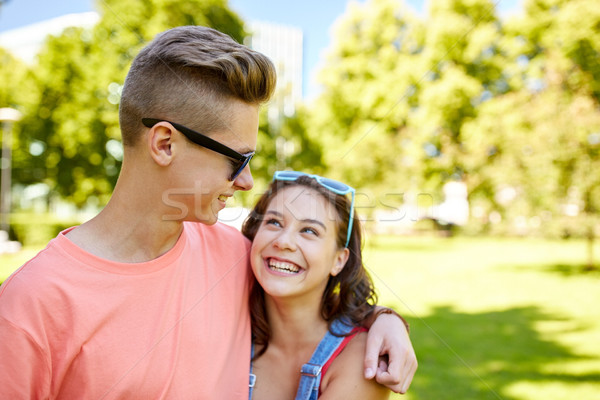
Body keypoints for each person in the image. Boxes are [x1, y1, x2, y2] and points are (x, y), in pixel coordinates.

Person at [0, 26, 416, 399]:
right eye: (237, 159)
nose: (247, 182)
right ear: (164, 144)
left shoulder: (235, 256)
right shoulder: (30, 306)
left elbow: (315, 303)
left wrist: (387, 321)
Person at [243, 171, 401, 399]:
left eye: (309, 231)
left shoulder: (360, 359)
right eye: (274, 222)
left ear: (339, 260)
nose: (283, 241)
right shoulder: (227, 328)